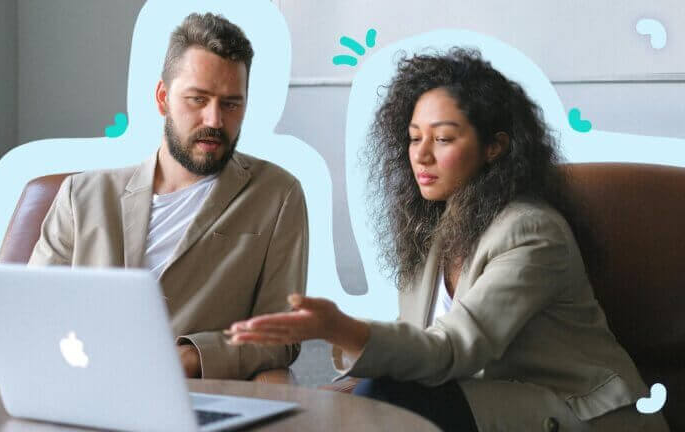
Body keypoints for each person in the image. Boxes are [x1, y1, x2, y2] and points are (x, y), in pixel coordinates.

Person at [226, 48, 669, 431]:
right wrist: (343, 388)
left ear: (494, 147)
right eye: (414, 137)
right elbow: (417, 342)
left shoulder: (532, 231)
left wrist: (340, 328)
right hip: (491, 401)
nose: (420, 154)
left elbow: (453, 349)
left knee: (392, 397)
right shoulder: (435, 230)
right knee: (352, 399)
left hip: (581, 413)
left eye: (442, 138)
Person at [0, 12, 308, 395]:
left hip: (178, 395)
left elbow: (282, 335)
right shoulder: (82, 194)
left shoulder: (277, 194)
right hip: (55, 382)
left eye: (231, 104)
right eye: (197, 99)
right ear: (162, 99)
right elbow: (32, 313)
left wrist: (188, 357)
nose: (214, 120)